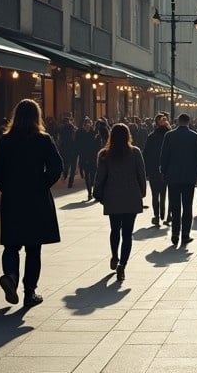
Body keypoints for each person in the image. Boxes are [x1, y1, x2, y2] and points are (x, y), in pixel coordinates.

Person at [0, 99, 63, 308]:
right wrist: (43, 184)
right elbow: (56, 167)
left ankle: (11, 277)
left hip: (13, 200)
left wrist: (9, 188)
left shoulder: (6, 140)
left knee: (11, 245)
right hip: (36, 200)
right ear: (36, 117)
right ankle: (29, 291)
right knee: (33, 248)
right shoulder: (43, 140)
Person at [93, 123, 146, 282]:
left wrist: (98, 194)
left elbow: (100, 177)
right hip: (131, 196)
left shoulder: (104, 154)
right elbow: (141, 175)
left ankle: (115, 256)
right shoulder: (135, 152)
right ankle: (122, 264)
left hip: (112, 196)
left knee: (115, 229)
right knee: (127, 233)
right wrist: (141, 193)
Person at [160, 113, 197, 248]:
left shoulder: (169, 136)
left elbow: (164, 155)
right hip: (189, 177)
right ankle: (185, 234)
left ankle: (175, 234)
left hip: (173, 176)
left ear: (178, 121)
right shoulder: (194, 136)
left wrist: (163, 171)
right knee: (187, 206)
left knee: (175, 206)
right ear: (188, 121)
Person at [143, 114, 170, 226]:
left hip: (154, 169)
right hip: (167, 169)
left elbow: (146, 155)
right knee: (164, 193)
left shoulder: (151, 136)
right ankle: (163, 214)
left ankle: (157, 216)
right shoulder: (169, 135)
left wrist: (147, 172)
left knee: (155, 194)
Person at [75, 117, 102, 201]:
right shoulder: (79, 132)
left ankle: (93, 190)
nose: (88, 125)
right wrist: (78, 154)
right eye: (86, 124)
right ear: (83, 125)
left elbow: (98, 144)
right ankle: (89, 192)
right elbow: (77, 144)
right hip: (84, 156)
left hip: (93, 156)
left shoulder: (94, 133)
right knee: (87, 174)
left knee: (93, 174)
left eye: (89, 123)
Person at [56, 116, 77, 188]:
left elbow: (59, 140)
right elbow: (75, 139)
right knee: (73, 167)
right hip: (73, 150)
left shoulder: (61, 129)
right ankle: (70, 181)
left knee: (66, 165)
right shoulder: (73, 129)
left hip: (64, 150)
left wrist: (59, 148)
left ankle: (65, 176)